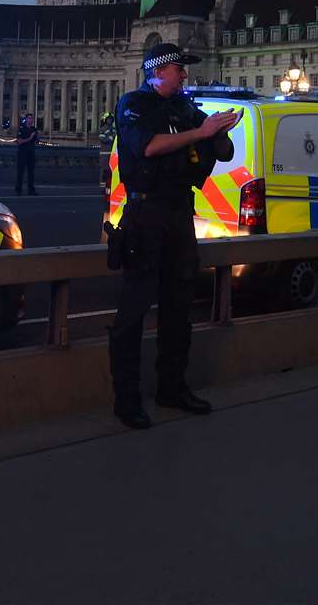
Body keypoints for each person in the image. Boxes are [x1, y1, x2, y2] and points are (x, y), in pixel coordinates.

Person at [107, 43, 237, 429]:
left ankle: (173, 387)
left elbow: (225, 153)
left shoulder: (186, 108)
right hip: (145, 214)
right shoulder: (135, 104)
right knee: (134, 310)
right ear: (157, 71)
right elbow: (146, 146)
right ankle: (127, 400)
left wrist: (217, 131)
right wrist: (201, 130)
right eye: (179, 69)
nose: (185, 75)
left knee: (179, 308)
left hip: (180, 214)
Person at [14, 112, 39, 195]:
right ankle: (18, 190)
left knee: (31, 173)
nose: (31, 120)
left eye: (32, 118)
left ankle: (31, 190)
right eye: (29, 118)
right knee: (20, 172)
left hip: (31, 153)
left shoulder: (34, 129)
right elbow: (19, 141)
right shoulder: (22, 129)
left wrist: (35, 139)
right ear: (26, 119)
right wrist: (29, 138)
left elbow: (36, 141)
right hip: (22, 153)